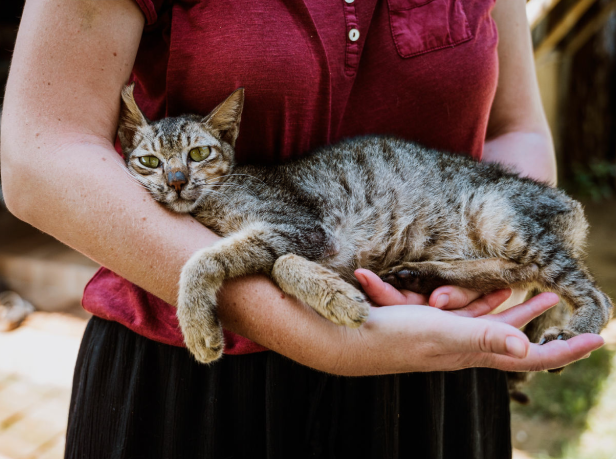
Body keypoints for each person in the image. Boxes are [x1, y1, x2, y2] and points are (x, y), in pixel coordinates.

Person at [0, 0, 604, 457]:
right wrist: (300, 330)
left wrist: (495, 277)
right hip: (191, 376)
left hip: (439, 362)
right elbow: (39, 154)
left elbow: (514, 129)